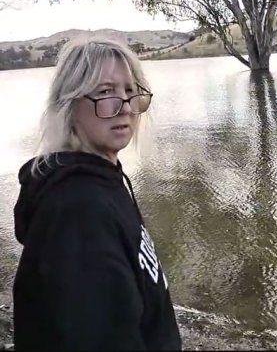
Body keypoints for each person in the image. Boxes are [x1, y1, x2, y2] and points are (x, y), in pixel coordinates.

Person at [12, 38, 182, 350]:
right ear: (69, 105)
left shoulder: (105, 179)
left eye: (130, 91)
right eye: (105, 93)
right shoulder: (78, 210)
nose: (125, 107)